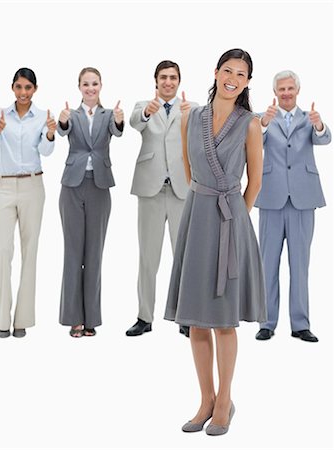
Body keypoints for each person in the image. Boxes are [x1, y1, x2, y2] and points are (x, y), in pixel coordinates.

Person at [164, 49, 266, 435]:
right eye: (228, 70)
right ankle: (204, 398)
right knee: (195, 321)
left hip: (230, 220)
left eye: (241, 74)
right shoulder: (192, 117)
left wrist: (237, 221)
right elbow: (191, 172)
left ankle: (225, 400)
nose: (233, 78)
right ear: (216, 72)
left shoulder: (251, 124)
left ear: (247, 82)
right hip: (197, 213)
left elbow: (254, 182)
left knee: (224, 320)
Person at [255, 71, 331, 343]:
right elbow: (253, 141)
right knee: (267, 264)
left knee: (301, 264)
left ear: (297, 90)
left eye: (290, 88)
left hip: (303, 199)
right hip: (271, 197)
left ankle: (300, 324)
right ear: (275, 91)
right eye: (281, 89)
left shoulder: (309, 117)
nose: (286, 93)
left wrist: (319, 124)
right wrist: (263, 123)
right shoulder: (265, 117)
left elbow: (324, 139)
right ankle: (267, 322)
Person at [126, 60, 197, 337]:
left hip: (182, 189)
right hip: (150, 190)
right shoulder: (143, 106)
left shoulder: (190, 108)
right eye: (164, 77)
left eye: (173, 77)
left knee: (184, 257)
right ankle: (144, 317)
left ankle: (186, 317)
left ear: (179, 81)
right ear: (156, 81)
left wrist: (193, 118)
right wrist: (146, 111)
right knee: (148, 257)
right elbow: (134, 122)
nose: (168, 82)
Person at [0, 67, 56, 338]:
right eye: (19, 87)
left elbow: (46, 151)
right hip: (4, 186)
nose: (23, 92)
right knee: (3, 250)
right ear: (12, 88)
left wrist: (50, 134)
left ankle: (22, 320)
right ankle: (3, 318)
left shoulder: (42, 116)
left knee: (31, 250)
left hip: (33, 186)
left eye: (28, 87)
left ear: (34, 89)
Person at [57, 67, 124, 338]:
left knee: (94, 254)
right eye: (86, 84)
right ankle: (74, 318)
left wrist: (119, 121)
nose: (90, 88)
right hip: (72, 186)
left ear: (101, 85)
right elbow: (63, 132)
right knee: (73, 254)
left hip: (99, 186)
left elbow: (117, 133)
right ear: (79, 87)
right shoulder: (70, 114)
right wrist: (62, 122)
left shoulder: (109, 114)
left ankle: (91, 318)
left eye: (94, 83)